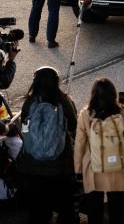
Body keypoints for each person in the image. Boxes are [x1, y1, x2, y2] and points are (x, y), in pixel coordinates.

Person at [17, 66, 78, 224]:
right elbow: (73, 125)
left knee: (38, 212)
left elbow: (24, 126)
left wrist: (32, 139)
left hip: (33, 167)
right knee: (66, 210)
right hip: (60, 166)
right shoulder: (63, 101)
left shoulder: (30, 102)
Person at [74, 78, 124, 224]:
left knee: (94, 210)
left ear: (93, 94)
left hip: (93, 166)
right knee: (116, 209)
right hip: (117, 166)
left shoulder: (86, 113)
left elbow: (79, 143)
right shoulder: (120, 111)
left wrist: (77, 169)